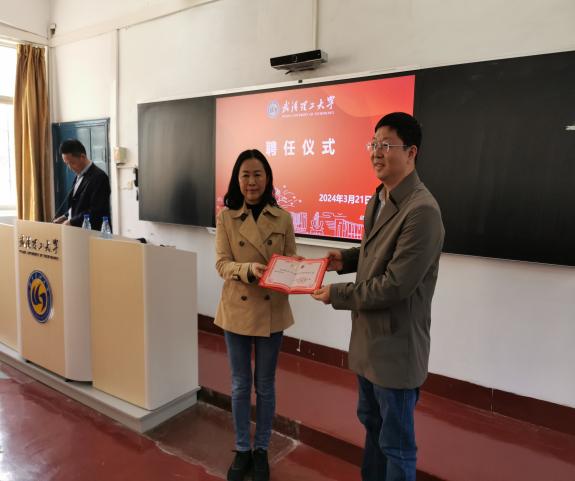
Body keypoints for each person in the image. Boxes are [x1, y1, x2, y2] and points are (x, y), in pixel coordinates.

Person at [312, 112, 444, 481]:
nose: (376, 152)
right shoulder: (380, 197)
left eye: (386, 145)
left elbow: (395, 284)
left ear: (411, 152)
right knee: (371, 423)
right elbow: (374, 252)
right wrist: (345, 260)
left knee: (397, 444)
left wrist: (336, 294)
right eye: (373, 144)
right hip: (368, 343)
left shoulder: (422, 211)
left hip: (396, 349)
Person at [214, 149, 297, 481]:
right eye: (245, 175)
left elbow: (290, 261)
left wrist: (298, 271)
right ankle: (242, 449)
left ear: (268, 178)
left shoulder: (283, 218)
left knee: (265, 385)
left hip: (271, 310)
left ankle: (261, 449)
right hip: (237, 307)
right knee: (239, 385)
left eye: (258, 174)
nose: (252, 181)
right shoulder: (226, 218)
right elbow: (222, 264)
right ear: (237, 179)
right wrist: (248, 269)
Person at [53, 139, 111, 231]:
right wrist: (65, 216)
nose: (69, 168)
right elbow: (79, 205)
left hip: (91, 233)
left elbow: (96, 211)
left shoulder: (100, 177)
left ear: (82, 157)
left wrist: (72, 222)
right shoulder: (79, 175)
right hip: (76, 231)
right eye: (67, 164)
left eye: (72, 163)